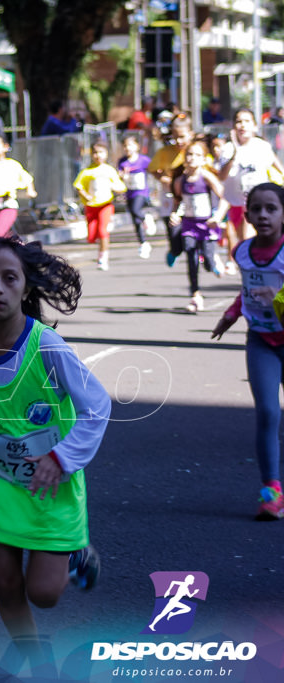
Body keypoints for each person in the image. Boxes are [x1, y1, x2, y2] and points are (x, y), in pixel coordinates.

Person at [0, 236, 109, 653]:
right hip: (2, 480)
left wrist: (62, 458)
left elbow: (96, 406)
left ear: (25, 287)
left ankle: (77, 554)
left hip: (51, 480)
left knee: (44, 594)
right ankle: (33, 660)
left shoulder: (48, 346)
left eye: (9, 278)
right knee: (5, 585)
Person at [212, 183, 284, 520]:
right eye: (256, 209)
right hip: (261, 341)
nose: (263, 215)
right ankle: (271, 491)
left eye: (271, 208)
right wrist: (231, 314)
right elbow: (248, 290)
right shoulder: (241, 252)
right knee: (268, 413)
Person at [218, 108, 284, 274]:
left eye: (247, 121)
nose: (243, 125)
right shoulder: (227, 148)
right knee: (239, 240)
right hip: (234, 201)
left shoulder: (261, 146)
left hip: (256, 201)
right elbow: (221, 176)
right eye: (239, 121)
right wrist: (234, 153)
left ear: (254, 126)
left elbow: (275, 164)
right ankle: (243, 270)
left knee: (249, 238)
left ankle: (257, 272)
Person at [170, 140, 228, 313]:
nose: (192, 158)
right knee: (190, 254)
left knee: (208, 264)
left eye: (197, 155)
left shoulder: (207, 177)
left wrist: (217, 217)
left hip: (207, 224)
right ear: (185, 158)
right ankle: (195, 295)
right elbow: (177, 201)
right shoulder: (181, 180)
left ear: (204, 159)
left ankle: (213, 259)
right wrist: (175, 214)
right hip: (189, 224)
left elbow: (225, 198)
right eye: (189, 154)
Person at [148, 112, 198, 267]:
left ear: (191, 134)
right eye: (175, 136)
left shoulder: (195, 151)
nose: (178, 140)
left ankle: (202, 255)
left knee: (192, 236)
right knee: (175, 236)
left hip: (191, 199)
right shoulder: (165, 152)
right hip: (170, 198)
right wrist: (163, 178)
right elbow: (152, 169)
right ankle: (174, 251)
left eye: (182, 136)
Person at [73, 141, 127, 271]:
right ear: (91, 155)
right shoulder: (86, 172)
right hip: (91, 206)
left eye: (101, 152)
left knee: (103, 231)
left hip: (105, 205)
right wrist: (86, 195)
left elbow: (121, 187)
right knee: (92, 236)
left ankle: (103, 257)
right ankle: (100, 248)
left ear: (106, 154)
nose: (98, 155)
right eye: (95, 153)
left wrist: (115, 187)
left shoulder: (109, 170)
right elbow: (78, 186)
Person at [118, 135, 156, 259]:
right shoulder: (122, 161)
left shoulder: (143, 160)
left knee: (136, 210)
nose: (128, 148)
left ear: (137, 146)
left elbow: (152, 170)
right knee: (135, 220)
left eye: (130, 145)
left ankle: (146, 218)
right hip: (129, 193)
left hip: (141, 192)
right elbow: (119, 175)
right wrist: (123, 175)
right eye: (125, 146)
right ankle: (143, 243)